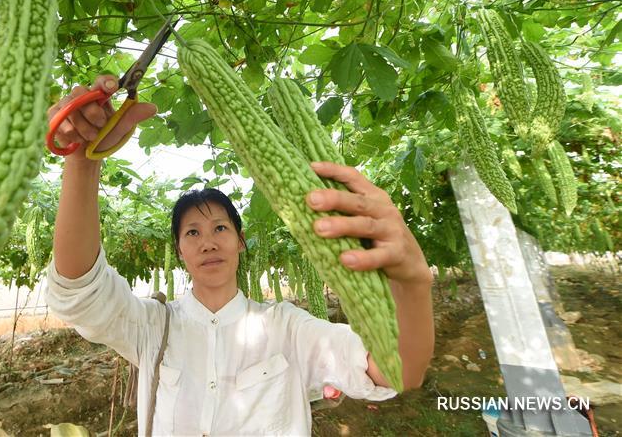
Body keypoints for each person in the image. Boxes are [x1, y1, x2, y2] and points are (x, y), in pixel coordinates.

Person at [45, 75, 435, 436]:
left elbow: (396, 370)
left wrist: (412, 285)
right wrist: (82, 162)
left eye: (220, 229)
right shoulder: (151, 327)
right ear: (179, 251)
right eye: (192, 233)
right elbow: (80, 292)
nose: (208, 242)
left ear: (240, 241)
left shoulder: (288, 328)